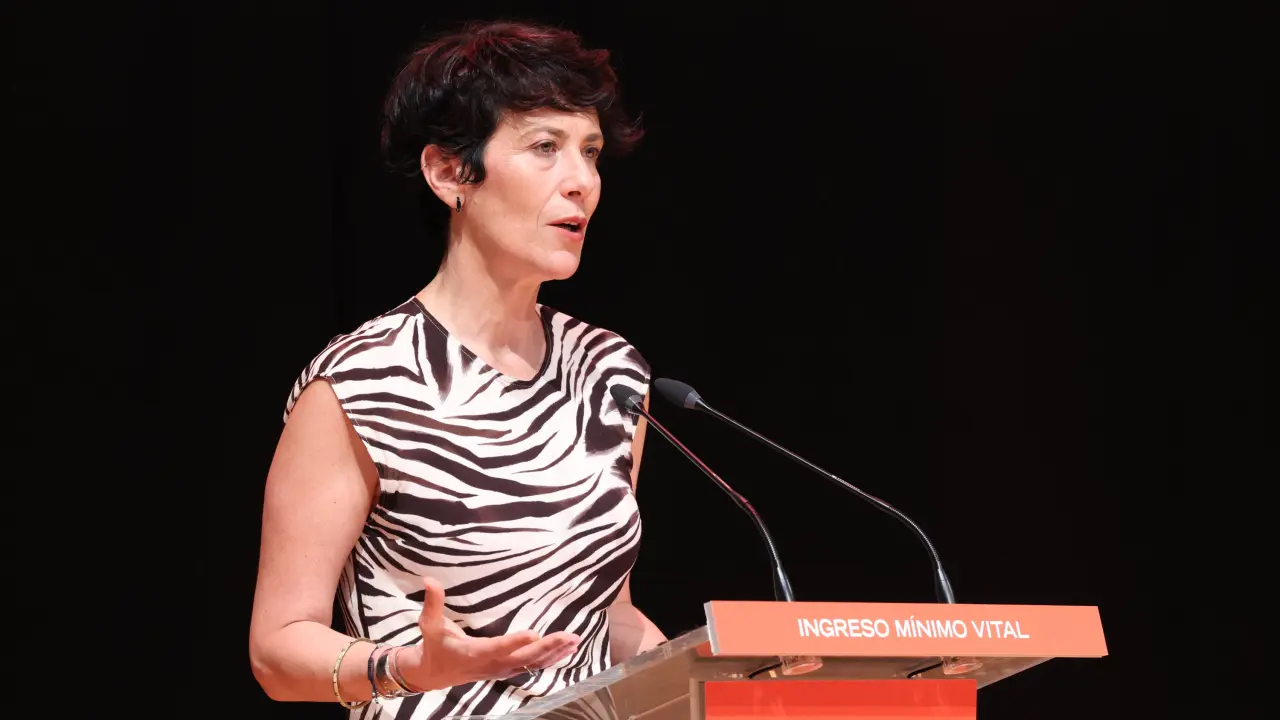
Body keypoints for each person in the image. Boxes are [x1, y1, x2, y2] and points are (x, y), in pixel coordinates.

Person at [248, 19, 666, 718]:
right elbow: (278, 647)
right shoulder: (361, 384)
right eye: (546, 147)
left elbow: (605, 614)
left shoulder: (610, 372)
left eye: (590, 152)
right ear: (449, 173)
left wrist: (723, 681)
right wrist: (407, 667)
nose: (582, 183)